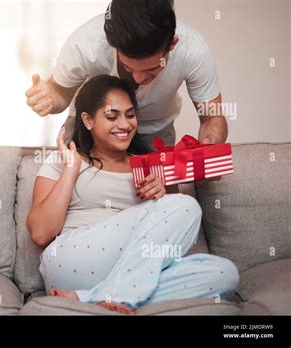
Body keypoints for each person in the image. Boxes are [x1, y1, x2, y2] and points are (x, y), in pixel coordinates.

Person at [26, 75, 239, 315]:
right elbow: (40, 233)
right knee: (186, 206)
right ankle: (118, 295)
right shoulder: (63, 161)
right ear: (87, 120)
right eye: (112, 116)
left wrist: (164, 194)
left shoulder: (152, 166)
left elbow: (166, 247)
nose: (125, 124)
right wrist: (72, 170)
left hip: (129, 270)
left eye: (130, 115)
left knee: (224, 274)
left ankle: (94, 298)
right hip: (72, 261)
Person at [25, 0, 227, 155]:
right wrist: (50, 97)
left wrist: (209, 147)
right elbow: (60, 91)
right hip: (89, 130)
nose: (138, 79)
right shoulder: (85, 43)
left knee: (154, 198)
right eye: (128, 67)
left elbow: (212, 116)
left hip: (155, 130)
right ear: (113, 45)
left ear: (172, 45)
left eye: (152, 69)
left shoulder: (193, 49)